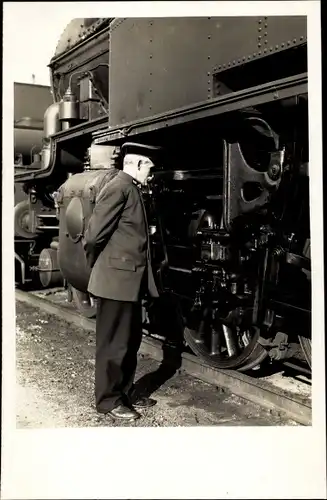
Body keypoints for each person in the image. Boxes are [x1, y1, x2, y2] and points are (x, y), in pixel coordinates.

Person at [83, 142, 161, 421]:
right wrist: (100, 268)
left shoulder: (131, 188)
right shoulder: (119, 187)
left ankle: (124, 393)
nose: (152, 171)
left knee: (128, 341)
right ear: (138, 164)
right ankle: (107, 401)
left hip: (128, 280)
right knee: (114, 343)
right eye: (150, 165)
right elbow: (93, 236)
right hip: (115, 280)